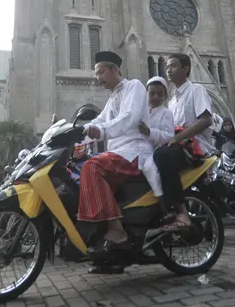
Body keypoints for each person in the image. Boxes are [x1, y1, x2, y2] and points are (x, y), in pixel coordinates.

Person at [77, 51, 154, 256]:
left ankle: (117, 231)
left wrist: (101, 132)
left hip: (134, 151)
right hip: (118, 152)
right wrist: (71, 132)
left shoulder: (134, 87)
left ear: (114, 69)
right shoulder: (113, 98)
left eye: (101, 72)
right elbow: (99, 121)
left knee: (91, 167)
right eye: (96, 74)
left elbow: (128, 118)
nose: (98, 78)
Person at [153, 53, 215, 231]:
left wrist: (176, 138)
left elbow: (205, 121)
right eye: (167, 67)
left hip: (196, 148)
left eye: (172, 66)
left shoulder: (196, 90)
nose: (168, 70)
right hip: (178, 148)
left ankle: (179, 211)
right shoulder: (172, 101)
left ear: (185, 69)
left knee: (162, 155)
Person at [137, 76, 175, 197]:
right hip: (137, 148)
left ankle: (161, 197)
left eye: (160, 94)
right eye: (152, 93)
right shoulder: (141, 111)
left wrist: (149, 132)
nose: (155, 97)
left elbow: (169, 136)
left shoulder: (166, 113)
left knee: (149, 169)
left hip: (154, 151)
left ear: (165, 96)